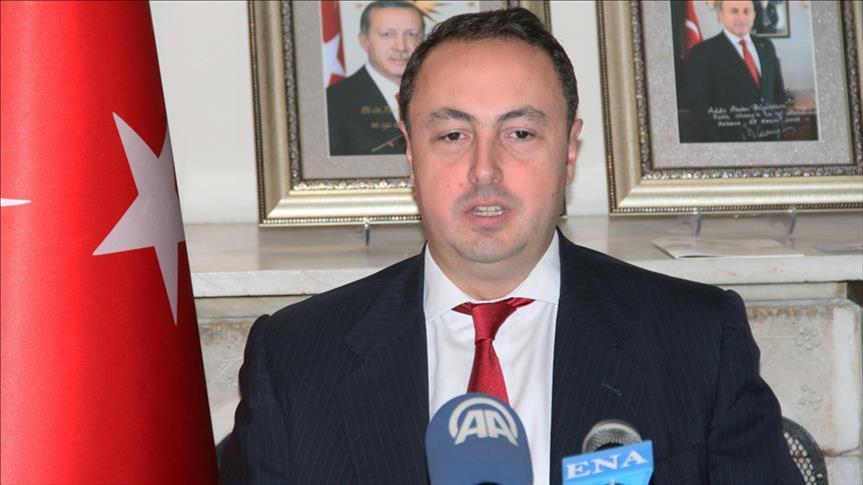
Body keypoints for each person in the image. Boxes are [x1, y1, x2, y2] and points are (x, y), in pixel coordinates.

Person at [221, 7, 803, 484]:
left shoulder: (698, 340)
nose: (484, 169)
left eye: (520, 133)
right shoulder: (296, 358)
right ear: (410, 152)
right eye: (453, 134)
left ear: (569, 149)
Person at [326, 1, 424, 156]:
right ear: (364, 41)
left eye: (411, 34)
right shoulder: (332, 103)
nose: (401, 47)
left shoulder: (441, 94)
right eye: (387, 34)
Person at [686, 0, 787, 142]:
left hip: (770, 139)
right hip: (729, 142)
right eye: (734, 11)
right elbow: (700, 107)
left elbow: (779, 94)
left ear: (754, 15)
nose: (741, 17)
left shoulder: (767, 46)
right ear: (720, 16)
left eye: (746, 11)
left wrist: (778, 128)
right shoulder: (702, 52)